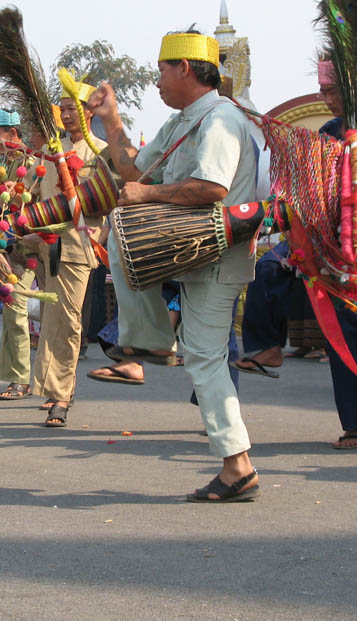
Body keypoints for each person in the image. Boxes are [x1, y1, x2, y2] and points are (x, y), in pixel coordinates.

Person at [90, 29, 260, 502]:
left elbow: (211, 188)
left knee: (206, 357)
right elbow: (134, 169)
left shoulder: (222, 118)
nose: (157, 80)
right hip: (193, 254)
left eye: (162, 69)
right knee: (205, 356)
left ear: (184, 67)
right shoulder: (184, 120)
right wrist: (112, 118)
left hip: (217, 255)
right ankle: (149, 341)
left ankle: (237, 468)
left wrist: (150, 195)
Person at [237, 60, 357, 446]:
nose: (325, 98)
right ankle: (268, 348)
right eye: (323, 91)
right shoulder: (328, 131)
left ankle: (355, 426)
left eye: (332, 91)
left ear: (354, 89)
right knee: (267, 268)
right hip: (316, 237)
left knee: (350, 334)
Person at [31, 83, 107, 426]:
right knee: (51, 318)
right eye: (60, 108)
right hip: (45, 244)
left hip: (79, 245)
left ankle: (61, 394)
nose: (65, 114)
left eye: (71, 108)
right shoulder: (49, 151)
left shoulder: (101, 152)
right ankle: (55, 388)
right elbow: (29, 191)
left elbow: (108, 203)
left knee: (68, 319)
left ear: (88, 111)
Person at [0, 109, 37, 400]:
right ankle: (15, 377)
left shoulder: (30, 163)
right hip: (4, 242)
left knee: (16, 306)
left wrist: (13, 192)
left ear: (12, 134)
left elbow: (31, 199)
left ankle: (21, 379)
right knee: (10, 307)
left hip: (26, 244)